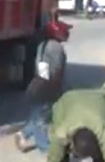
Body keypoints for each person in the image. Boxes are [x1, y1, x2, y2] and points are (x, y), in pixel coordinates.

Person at [15, 19, 71, 153]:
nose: (68, 33)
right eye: (66, 31)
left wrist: (42, 81)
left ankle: (23, 134)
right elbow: (56, 70)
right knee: (41, 119)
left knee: (40, 115)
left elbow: (42, 67)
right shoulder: (56, 48)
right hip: (46, 88)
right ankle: (45, 147)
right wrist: (54, 87)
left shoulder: (43, 45)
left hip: (38, 85)